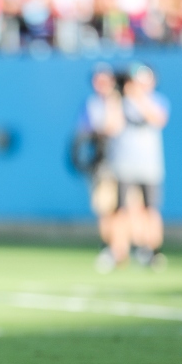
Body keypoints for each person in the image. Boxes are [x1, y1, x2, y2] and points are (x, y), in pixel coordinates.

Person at [107, 63, 169, 269]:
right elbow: (112, 127)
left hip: (149, 165)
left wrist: (138, 96)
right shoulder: (119, 102)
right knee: (120, 209)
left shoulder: (156, 100)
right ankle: (118, 252)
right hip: (124, 163)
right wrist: (116, 99)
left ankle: (153, 251)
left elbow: (158, 119)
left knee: (150, 209)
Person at [71, 63, 125, 273]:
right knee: (105, 207)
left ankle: (122, 250)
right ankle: (109, 247)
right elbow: (87, 130)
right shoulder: (92, 104)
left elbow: (115, 126)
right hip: (101, 163)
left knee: (123, 208)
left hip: (124, 162)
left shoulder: (119, 102)